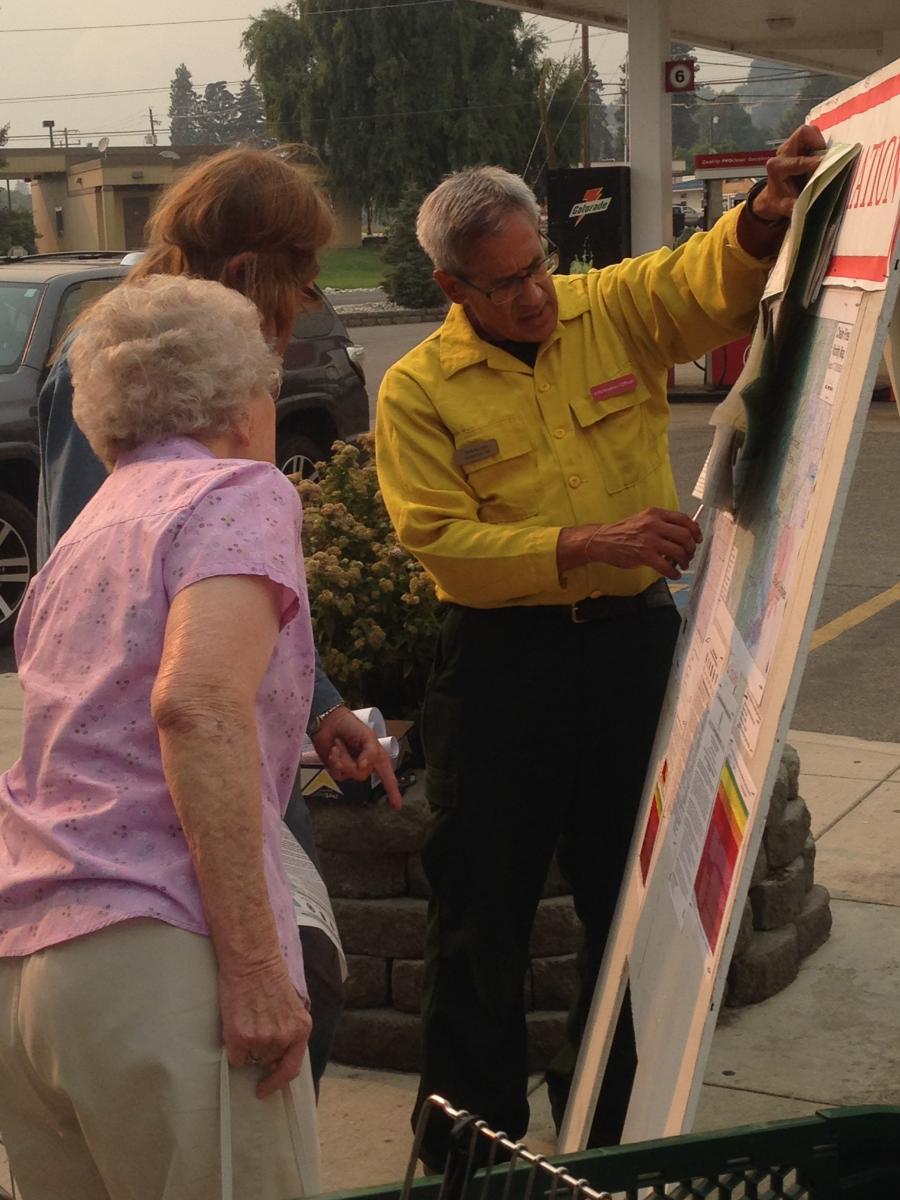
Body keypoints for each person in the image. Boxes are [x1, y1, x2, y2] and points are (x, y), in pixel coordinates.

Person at [375, 125, 827, 1168]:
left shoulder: (606, 309)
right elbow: (444, 547)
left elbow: (705, 286)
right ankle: (466, 1151)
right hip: (498, 668)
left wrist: (763, 212)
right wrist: (588, 542)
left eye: (538, 265)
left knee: (632, 900)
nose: (534, 295)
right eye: (502, 284)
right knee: (480, 907)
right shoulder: (417, 391)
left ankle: (612, 1132)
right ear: (453, 288)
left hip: (631, 654)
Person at [34, 145, 402, 1090]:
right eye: (302, 280)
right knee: (279, 1035)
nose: (307, 307)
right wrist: (251, 970)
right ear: (246, 273)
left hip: (93, 869)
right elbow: (148, 643)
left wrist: (315, 703)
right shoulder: (139, 375)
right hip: (164, 820)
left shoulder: (134, 355)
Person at [0, 274, 330, 1197]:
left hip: (28, 963)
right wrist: (261, 966)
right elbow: (199, 706)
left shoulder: (89, 527)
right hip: (156, 952)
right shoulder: (237, 491)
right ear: (242, 403)